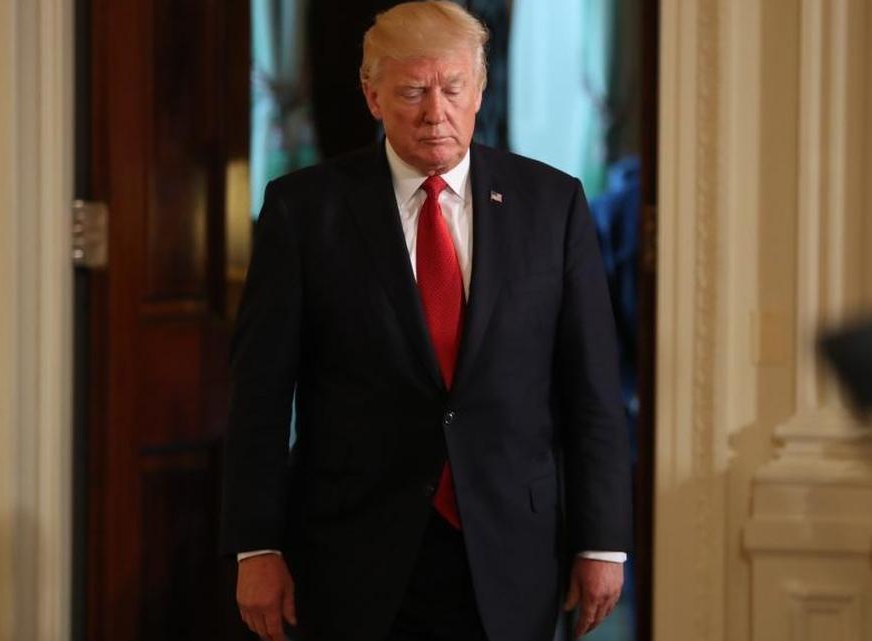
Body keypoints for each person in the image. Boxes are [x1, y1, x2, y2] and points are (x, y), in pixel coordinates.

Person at [220, 2, 632, 640]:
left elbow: (593, 391)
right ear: (373, 94)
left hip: (510, 548)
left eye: (452, 88)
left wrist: (602, 541)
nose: (434, 111)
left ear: (479, 90)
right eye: (412, 91)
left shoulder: (553, 205)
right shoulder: (304, 211)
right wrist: (257, 546)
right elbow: (260, 398)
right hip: (352, 550)